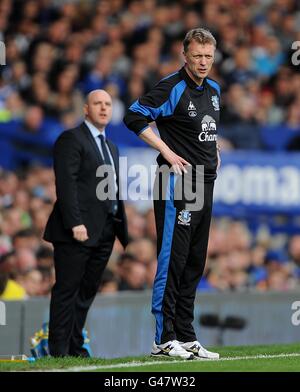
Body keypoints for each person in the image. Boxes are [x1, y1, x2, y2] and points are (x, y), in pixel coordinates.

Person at [124, 28, 220, 360]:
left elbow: (205, 132)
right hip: (177, 181)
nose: (203, 62)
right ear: (185, 55)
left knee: (195, 261)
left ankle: (186, 334)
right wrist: (164, 149)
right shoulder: (171, 87)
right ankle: (163, 339)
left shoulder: (215, 90)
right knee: (173, 259)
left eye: (208, 56)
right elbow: (133, 115)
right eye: (197, 55)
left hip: (205, 182)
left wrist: (215, 152)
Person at [44, 89, 128, 357]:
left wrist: (121, 232)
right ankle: (58, 351)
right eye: (97, 103)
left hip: (104, 232)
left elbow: (112, 191)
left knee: (86, 293)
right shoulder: (71, 139)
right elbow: (66, 185)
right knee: (67, 291)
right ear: (85, 109)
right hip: (76, 231)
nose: (103, 108)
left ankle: (75, 346)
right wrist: (75, 223)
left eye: (108, 104)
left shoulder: (111, 147)